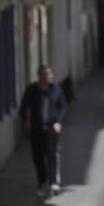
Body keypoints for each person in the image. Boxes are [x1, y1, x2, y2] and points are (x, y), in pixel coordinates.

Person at [19, 64, 68, 197]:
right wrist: (26, 120)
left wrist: (59, 122)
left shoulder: (57, 90)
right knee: (37, 156)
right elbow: (24, 107)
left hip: (52, 127)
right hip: (37, 128)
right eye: (47, 74)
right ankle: (42, 181)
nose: (51, 76)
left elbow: (63, 107)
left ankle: (54, 182)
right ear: (41, 76)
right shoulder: (32, 91)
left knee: (53, 155)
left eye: (51, 74)